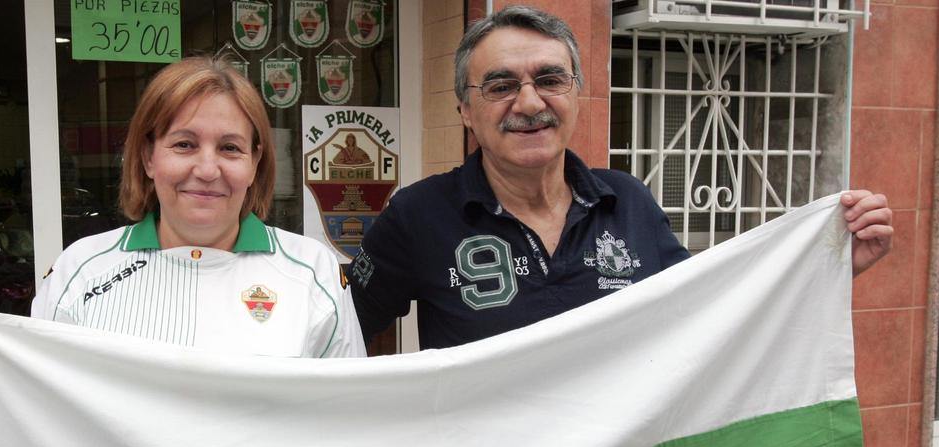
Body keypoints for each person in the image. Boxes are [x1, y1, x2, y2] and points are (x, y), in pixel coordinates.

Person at [348, 6, 893, 350]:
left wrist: (829, 265)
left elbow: (710, 310)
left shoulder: (628, 201)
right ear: (465, 109)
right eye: (500, 85)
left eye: (550, 79)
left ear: (576, 95)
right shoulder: (416, 216)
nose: (530, 102)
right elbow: (340, 333)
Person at [0, 57, 365, 377]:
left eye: (230, 147)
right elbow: (38, 400)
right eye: (183, 144)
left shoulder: (314, 272)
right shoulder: (80, 270)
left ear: (255, 162)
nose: (207, 170)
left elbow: (351, 413)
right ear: (148, 157)